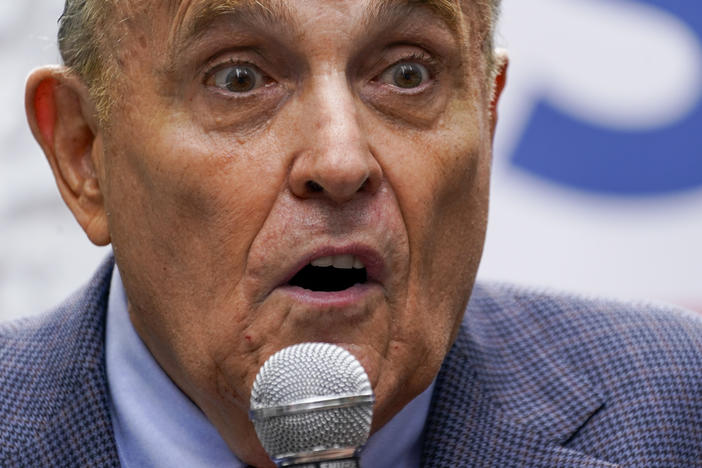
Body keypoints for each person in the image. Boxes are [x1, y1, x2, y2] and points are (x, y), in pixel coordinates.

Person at [1, 0, 701, 466]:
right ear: (83, 151)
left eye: (408, 73)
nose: (340, 162)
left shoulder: (676, 412)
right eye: (239, 78)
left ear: (487, 125)